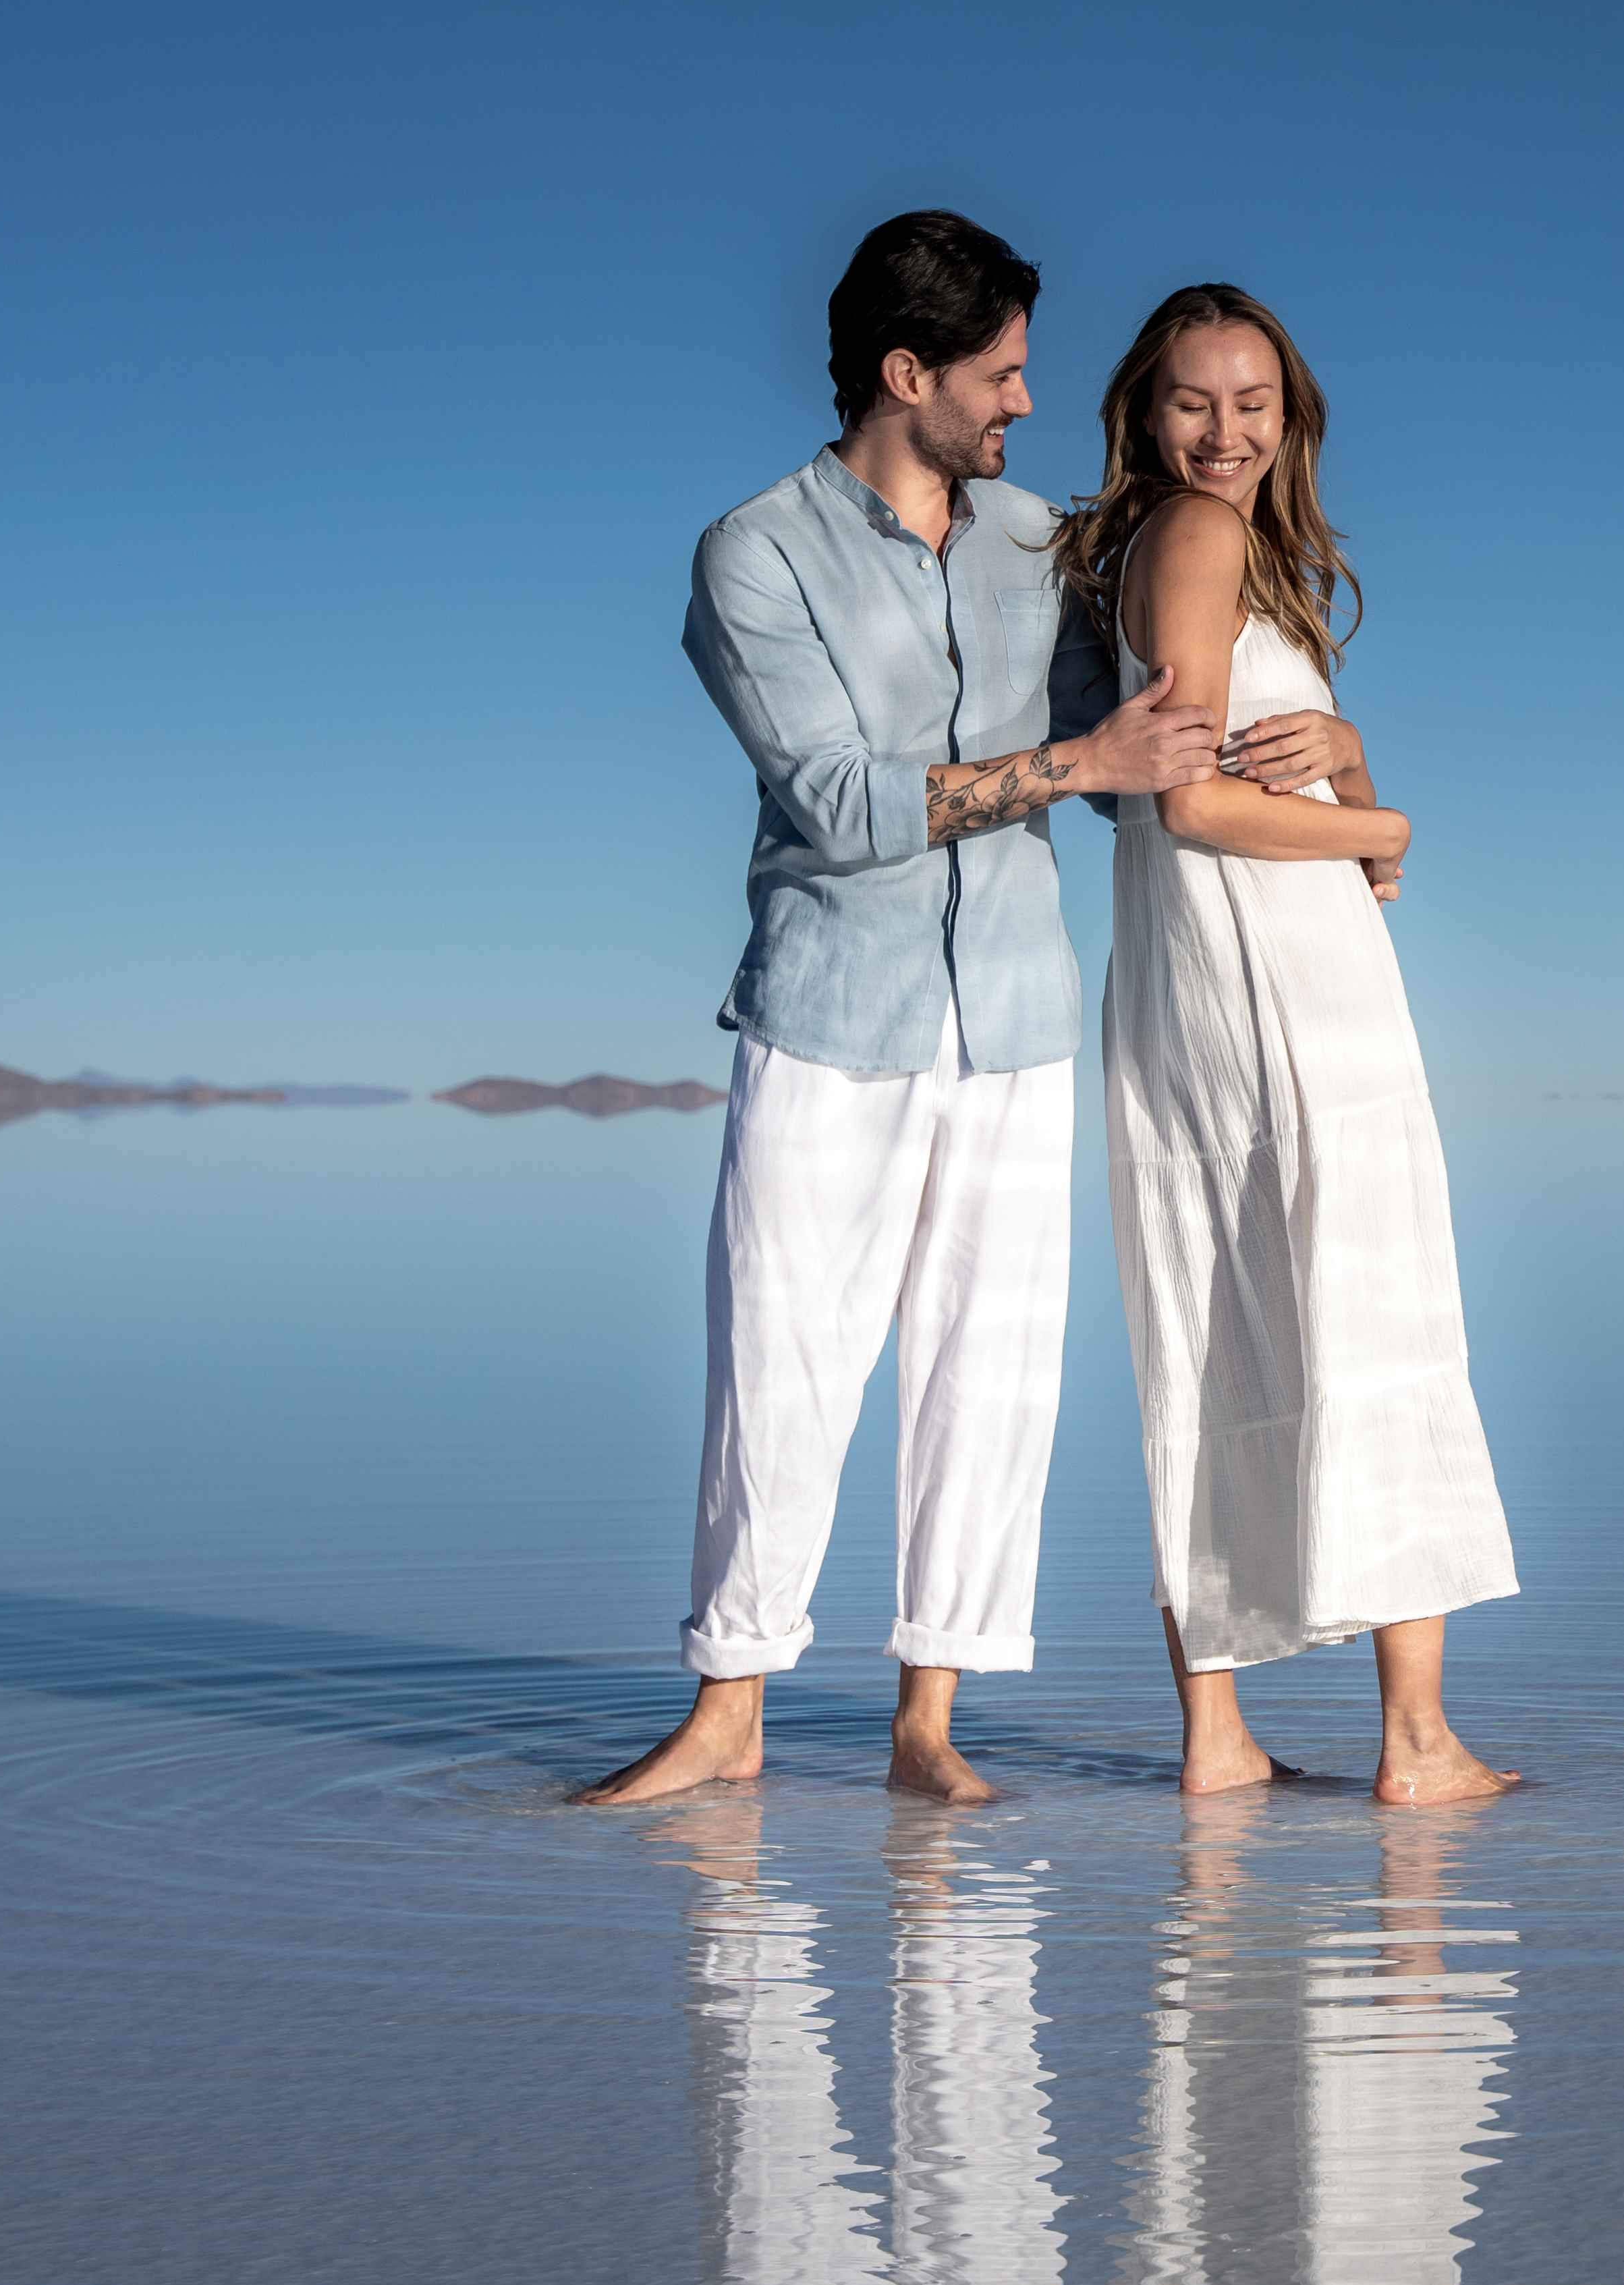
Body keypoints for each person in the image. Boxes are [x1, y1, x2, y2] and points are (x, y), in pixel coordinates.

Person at [581, 212, 1221, 1807]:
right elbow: (834, 802)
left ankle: (928, 1718)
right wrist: (1078, 766)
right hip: (829, 1016)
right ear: (904, 372)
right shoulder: (754, 553)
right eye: (998, 376)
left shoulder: (1036, 546)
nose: (1020, 404)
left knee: (989, 1371)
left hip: (1016, 1018)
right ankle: (728, 1709)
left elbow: (1136, 739)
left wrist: (1315, 769)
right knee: (780, 1358)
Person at [1050, 285, 1521, 1805]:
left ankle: (1216, 1739)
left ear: (1291, 414)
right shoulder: (1192, 539)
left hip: (1207, 973)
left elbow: (1265, 782)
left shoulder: (1217, 555)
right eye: (1196, 400)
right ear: (1145, 408)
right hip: (1280, 984)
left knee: (1209, 1312)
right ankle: (1418, 1742)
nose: (1227, 431)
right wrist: (1386, 819)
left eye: (1254, 402)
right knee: (1373, 1313)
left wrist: (1354, 758)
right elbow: (1188, 798)